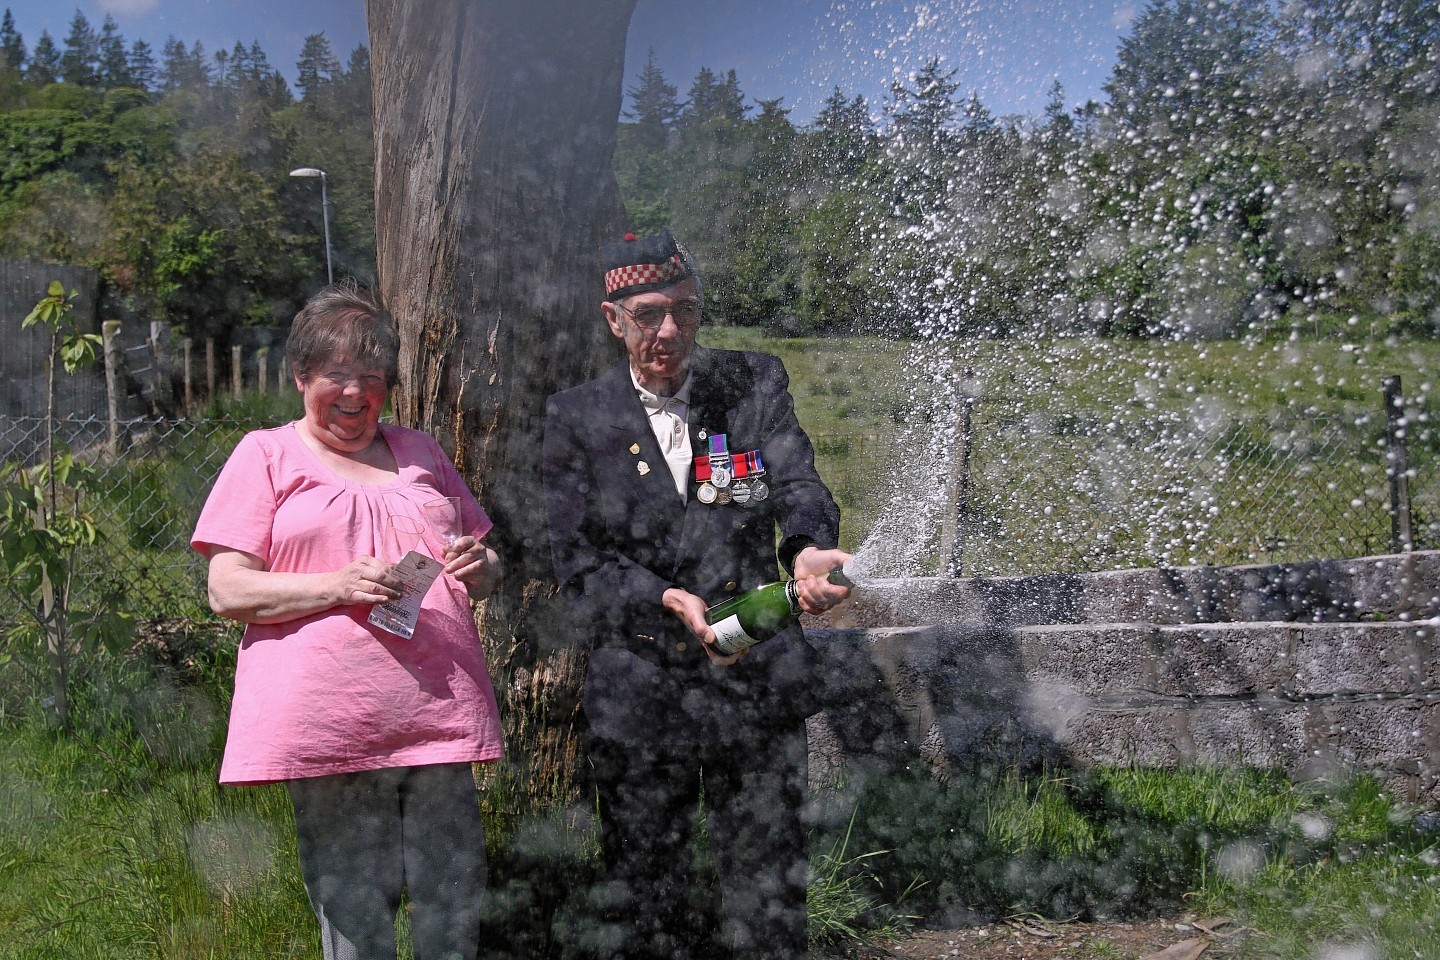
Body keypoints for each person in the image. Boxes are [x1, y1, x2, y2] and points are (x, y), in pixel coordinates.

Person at [542, 230, 852, 960]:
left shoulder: (753, 384)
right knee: (649, 890)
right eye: (649, 313)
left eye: (686, 309)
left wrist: (805, 549)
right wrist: (665, 598)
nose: (671, 330)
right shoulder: (577, 417)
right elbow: (578, 563)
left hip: (755, 681)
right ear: (613, 318)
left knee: (770, 887)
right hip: (642, 686)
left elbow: (798, 482)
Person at [191, 282, 504, 960]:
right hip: (330, 728)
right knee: (356, 923)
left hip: (438, 721)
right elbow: (227, 589)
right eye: (337, 377)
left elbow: (484, 561)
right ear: (302, 376)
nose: (357, 394)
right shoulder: (266, 455)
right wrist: (336, 586)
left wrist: (483, 568)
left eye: (373, 378)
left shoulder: (422, 452)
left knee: (452, 912)